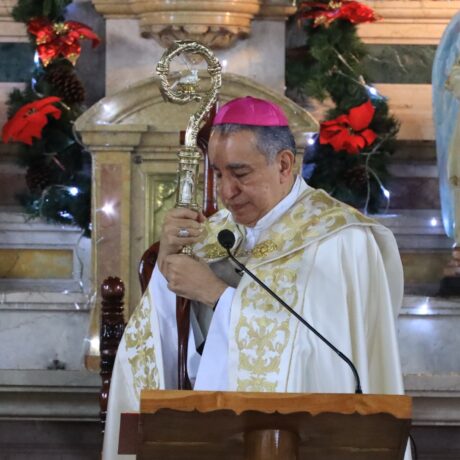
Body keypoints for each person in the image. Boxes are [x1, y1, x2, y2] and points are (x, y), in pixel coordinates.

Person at [102, 96, 410, 459]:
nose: (226, 192)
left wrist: (218, 296)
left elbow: (327, 363)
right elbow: (162, 350)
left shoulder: (341, 240)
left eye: (240, 173)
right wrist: (169, 262)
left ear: (283, 165)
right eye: (218, 173)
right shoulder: (213, 235)